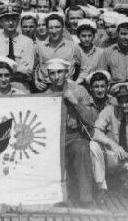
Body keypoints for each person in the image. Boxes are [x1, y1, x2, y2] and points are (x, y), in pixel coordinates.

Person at [46, 58, 97, 207]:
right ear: (48, 76)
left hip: (74, 136)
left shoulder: (79, 90)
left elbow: (90, 120)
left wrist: (75, 102)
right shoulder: (46, 94)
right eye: (52, 73)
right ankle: (60, 197)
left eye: (60, 72)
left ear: (66, 72)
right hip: (55, 139)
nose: (56, 77)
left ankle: (86, 198)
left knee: (81, 149)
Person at [90, 82, 128, 200]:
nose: (123, 105)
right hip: (110, 157)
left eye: (127, 101)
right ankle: (101, 187)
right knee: (93, 145)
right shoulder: (109, 111)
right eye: (121, 101)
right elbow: (95, 132)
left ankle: (125, 188)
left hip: (126, 159)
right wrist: (112, 144)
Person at [33, 13, 81, 92]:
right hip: (46, 87)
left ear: (63, 27)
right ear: (47, 29)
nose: (54, 31)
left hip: (67, 87)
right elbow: (34, 67)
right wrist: (36, 81)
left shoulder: (73, 46)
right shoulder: (39, 47)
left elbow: (82, 67)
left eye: (57, 27)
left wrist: (76, 83)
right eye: (50, 28)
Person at [75, 20, 104, 85]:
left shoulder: (101, 52)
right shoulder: (74, 50)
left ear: (93, 36)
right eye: (83, 36)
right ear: (78, 36)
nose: (87, 39)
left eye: (89, 36)